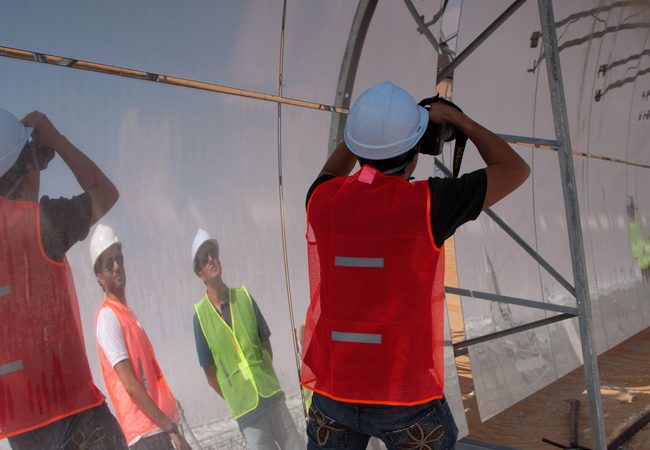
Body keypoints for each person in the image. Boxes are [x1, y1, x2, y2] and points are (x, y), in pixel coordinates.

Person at [301, 80, 530, 449]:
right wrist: (462, 121)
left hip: (333, 390)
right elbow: (514, 169)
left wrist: (365, 133)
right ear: (414, 154)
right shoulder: (429, 204)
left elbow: (330, 175)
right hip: (403, 396)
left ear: (357, 148)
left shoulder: (321, 201)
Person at [0, 106, 125, 449]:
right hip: (82, 428)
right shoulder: (45, 223)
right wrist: (54, 137)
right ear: (29, 166)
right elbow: (105, 191)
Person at [191, 229, 302, 450]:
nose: (212, 259)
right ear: (201, 273)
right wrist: (236, 394)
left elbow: (265, 346)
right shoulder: (200, 318)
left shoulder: (243, 297)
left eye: (213, 254)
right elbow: (210, 375)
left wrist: (261, 377)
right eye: (205, 259)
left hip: (272, 398)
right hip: (248, 416)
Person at [91, 224, 191, 450]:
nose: (117, 267)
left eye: (119, 259)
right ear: (99, 276)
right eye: (109, 263)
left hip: (159, 428)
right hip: (147, 435)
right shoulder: (108, 317)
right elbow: (130, 384)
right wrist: (168, 426)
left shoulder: (126, 315)